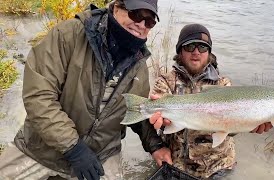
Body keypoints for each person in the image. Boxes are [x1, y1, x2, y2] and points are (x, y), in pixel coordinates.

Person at [0, 0, 171, 179]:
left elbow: (137, 111)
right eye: (136, 14)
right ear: (116, 7)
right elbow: (38, 97)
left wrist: (156, 146)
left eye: (149, 21)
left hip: (101, 154)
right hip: (41, 149)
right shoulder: (68, 34)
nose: (141, 24)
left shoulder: (140, 65)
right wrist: (74, 149)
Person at [149, 24, 273, 179]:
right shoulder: (165, 81)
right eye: (190, 46)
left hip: (219, 165)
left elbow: (231, 128)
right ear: (180, 50)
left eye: (202, 47)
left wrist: (251, 123)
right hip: (176, 163)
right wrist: (158, 118)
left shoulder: (223, 84)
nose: (196, 52)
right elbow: (155, 120)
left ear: (209, 53)